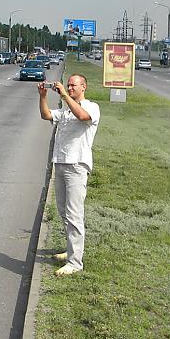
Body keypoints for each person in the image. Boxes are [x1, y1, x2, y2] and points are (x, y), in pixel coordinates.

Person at [38, 74, 100, 276]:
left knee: (74, 215)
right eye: (68, 85)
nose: (69, 87)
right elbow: (46, 115)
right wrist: (43, 96)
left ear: (84, 87)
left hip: (76, 166)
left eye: (73, 85)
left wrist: (65, 96)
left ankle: (76, 262)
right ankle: (71, 250)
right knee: (64, 213)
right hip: (61, 164)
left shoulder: (91, 107)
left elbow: (82, 117)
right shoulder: (66, 111)